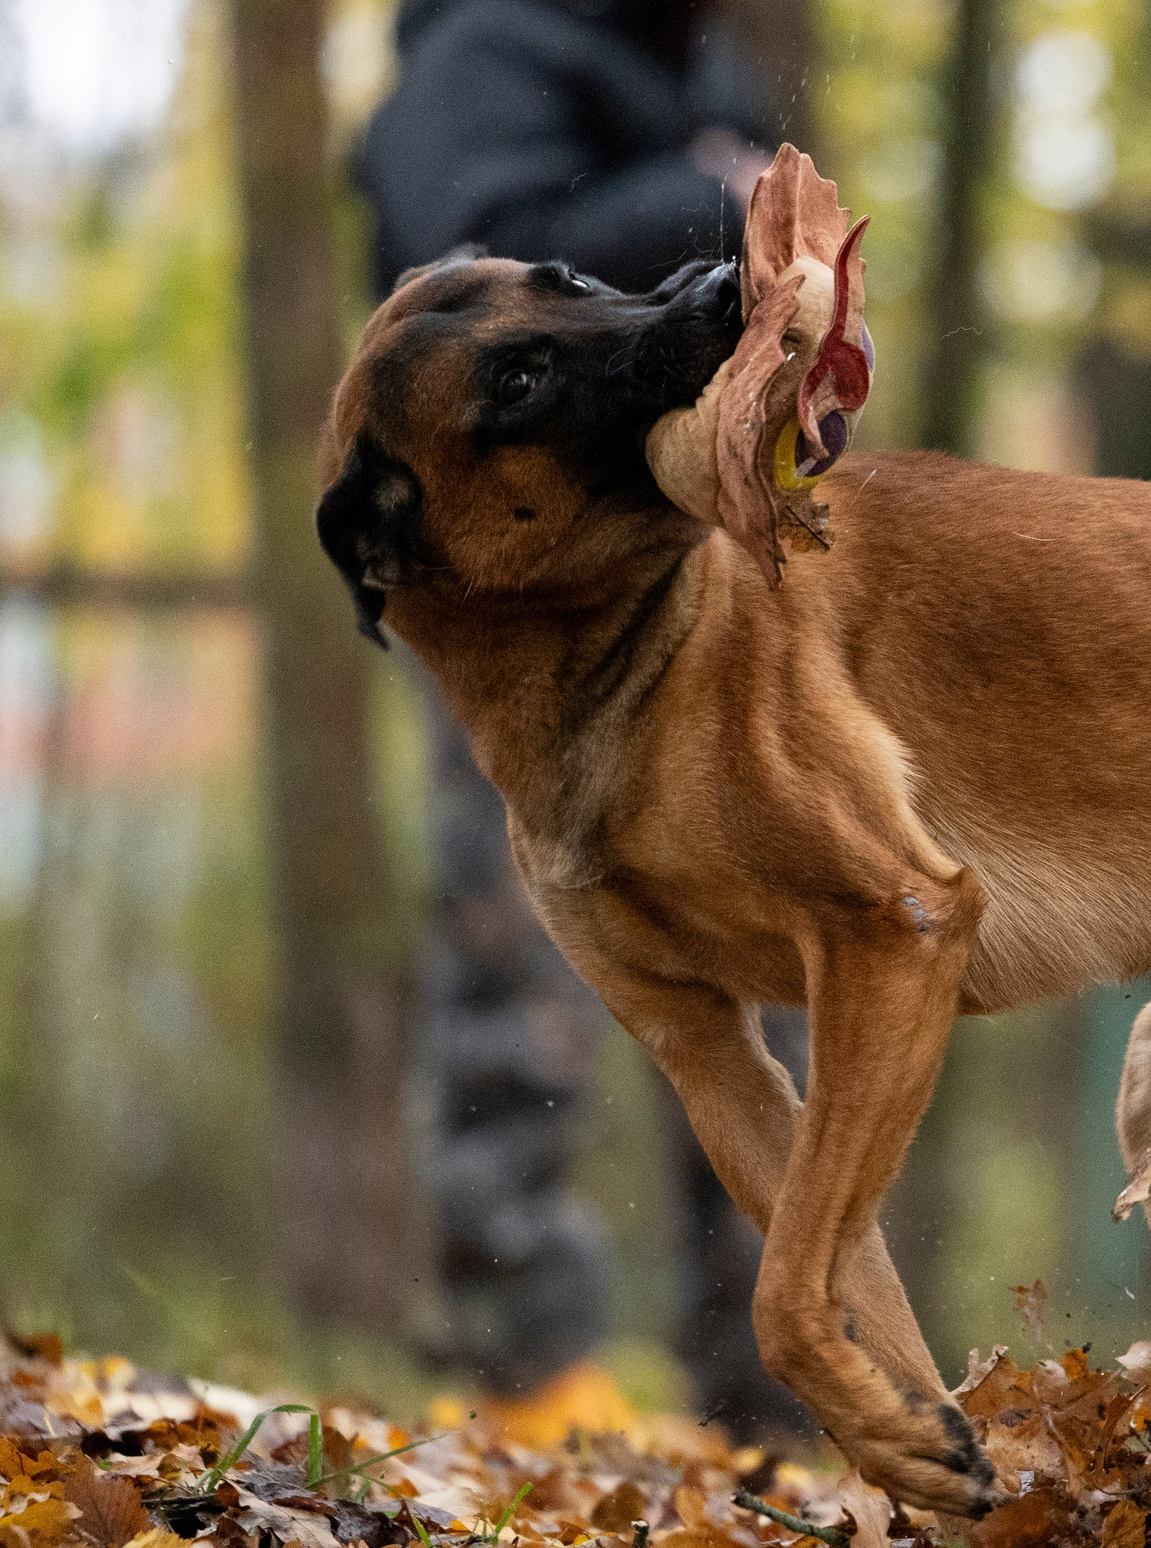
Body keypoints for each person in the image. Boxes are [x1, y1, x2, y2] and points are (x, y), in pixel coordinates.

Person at [356, 0, 805, 1443]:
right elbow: (459, 292)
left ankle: (777, 1371)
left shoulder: (695, 68)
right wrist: (707, 201)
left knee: (762, 950)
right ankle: (526, 1364)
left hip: (691, 579)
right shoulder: (482, 52)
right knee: (523, 965)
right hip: (507, 600)